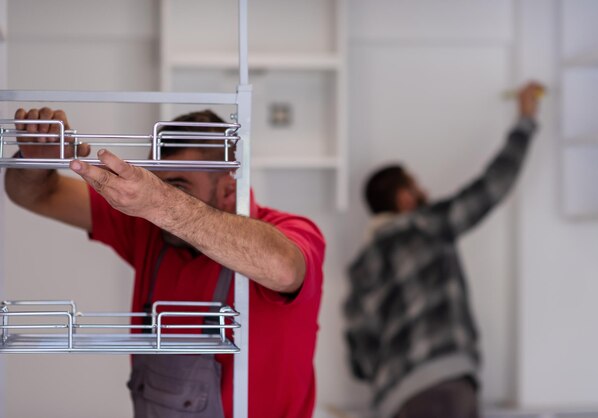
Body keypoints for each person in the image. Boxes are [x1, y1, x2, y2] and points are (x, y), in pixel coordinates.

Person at [5, 108, 325, 418]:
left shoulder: (290, 232)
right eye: (156, 182)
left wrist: (158, 200)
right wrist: (34, 157)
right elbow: (36, 195)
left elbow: (284, 268)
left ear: (230, 189)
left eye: (177, 188)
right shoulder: (148, 229)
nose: (157, 201)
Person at [344, 82, 544, 418]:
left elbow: (360, 360)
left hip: (392, 400)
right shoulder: (426, 225)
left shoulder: (361, 266)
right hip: (442, 385)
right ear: (404, 198)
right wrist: (525, 121)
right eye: (415, 184)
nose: (423, 191)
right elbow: (492, 186)